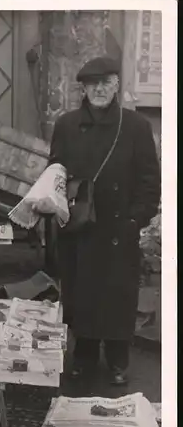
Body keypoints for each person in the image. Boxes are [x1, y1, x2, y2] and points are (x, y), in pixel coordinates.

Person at [32, 56, 161, 385]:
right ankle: (84, 357)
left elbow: (150, 181)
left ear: (117, 84)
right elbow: (55, 170)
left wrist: (135, 220)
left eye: (106, 82)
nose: (100, 90)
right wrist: (55, 202)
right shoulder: (66, 125)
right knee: (81, 295)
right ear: (84, 89)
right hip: (80, 227)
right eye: (93, 84)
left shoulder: (135, 127)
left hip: (120, 228)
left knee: (118, 296)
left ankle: (118, 361)